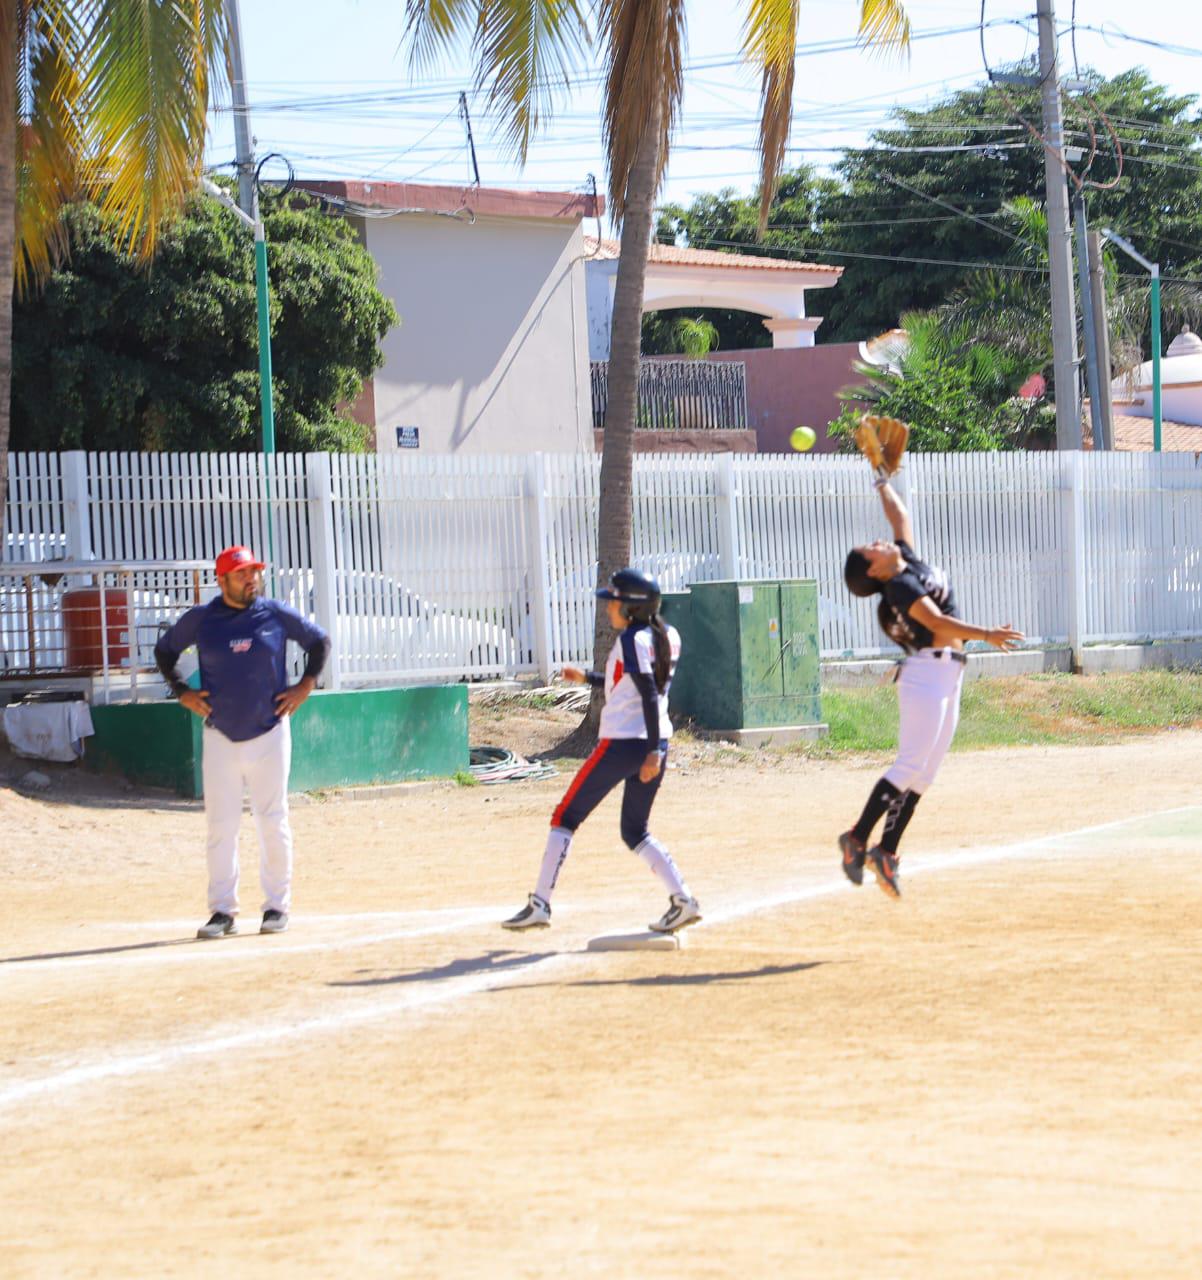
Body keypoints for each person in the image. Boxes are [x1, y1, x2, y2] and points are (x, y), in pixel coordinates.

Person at [839, 476, 1023, 898]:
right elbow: (937, 623)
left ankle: (885, 851)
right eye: (871, 548)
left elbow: (899, 516)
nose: (877, 541)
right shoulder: (899, 588)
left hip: (948, 673)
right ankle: (856, 837)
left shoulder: (905, 561)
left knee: (924, 775)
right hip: (927, 675)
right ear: (873, 569)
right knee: (908, 765)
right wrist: (987, 633)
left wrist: (881, 479)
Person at [502, 568, 701, 935]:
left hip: (625, 743)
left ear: (632, 609)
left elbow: (647, 693)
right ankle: (683, 899)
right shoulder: (666, 635)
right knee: (634, 830)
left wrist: (652, 751)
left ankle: (540, 904)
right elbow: (634, 683)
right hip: (652, 740)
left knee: (565, 815)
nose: (610, 608)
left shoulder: (631, 640)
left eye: (616, 602)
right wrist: (589, 679)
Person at [154, 546, 331, 939]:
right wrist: (181, 690)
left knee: (273, 820)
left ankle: (276, 908)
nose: (251, 579)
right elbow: (165, 651)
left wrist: (305, 684)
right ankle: (222, 912)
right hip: (220, 736)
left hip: (269, 732)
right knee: (221, 826)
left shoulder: (275, 614)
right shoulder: (202, 620)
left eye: (254, 572)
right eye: (241, 574)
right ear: (222, 580)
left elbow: (319, 642)